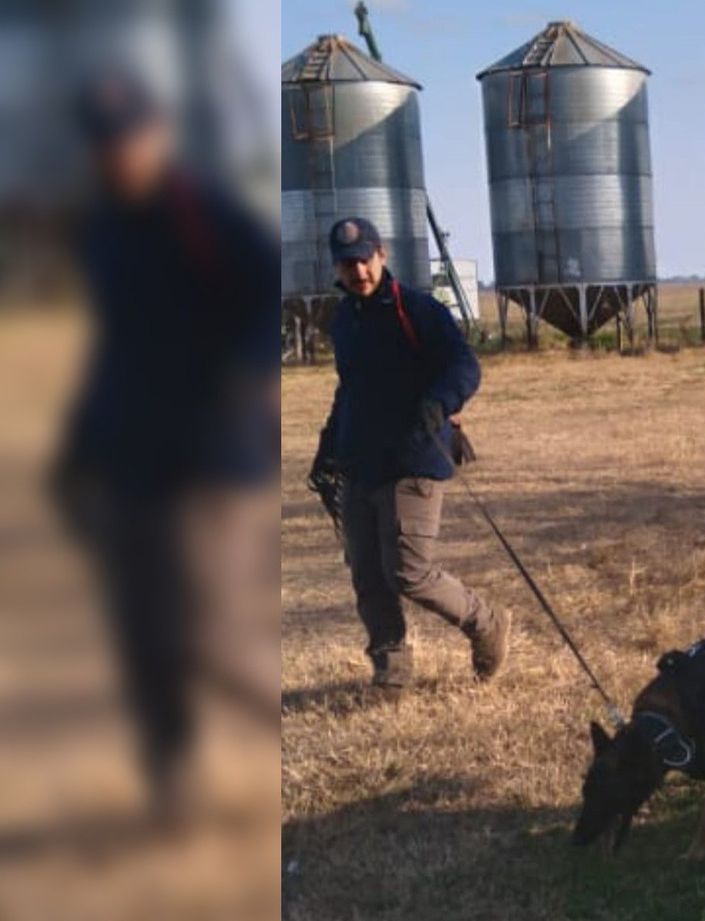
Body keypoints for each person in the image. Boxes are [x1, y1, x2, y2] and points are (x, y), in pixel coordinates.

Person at [54, 67, 281, 823]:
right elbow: (114, 348)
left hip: (213, 460)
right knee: (141, 636)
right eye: (103, 144)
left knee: (206, 632)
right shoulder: (105, 232)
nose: (117, 155)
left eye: (128, 138)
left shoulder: (202, 211)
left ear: (156, 135)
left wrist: (241, 378)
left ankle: (280, 726)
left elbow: (264, 300)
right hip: (130, 459)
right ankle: (173, 784)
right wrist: (76, 451)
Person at [310, 217, 508, 694]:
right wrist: (328, 446)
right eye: (347, 263)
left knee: (408, 572)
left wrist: (440, 401)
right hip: (361, 463)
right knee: (368, 577)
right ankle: (392, 676)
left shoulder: (417, 310)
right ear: (336, 266)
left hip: (415, 457)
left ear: (382, 256)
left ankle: (487, 623)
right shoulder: (344, 320)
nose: (357, 271)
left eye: (364, 260)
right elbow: (350, 390)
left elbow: (464, 365)